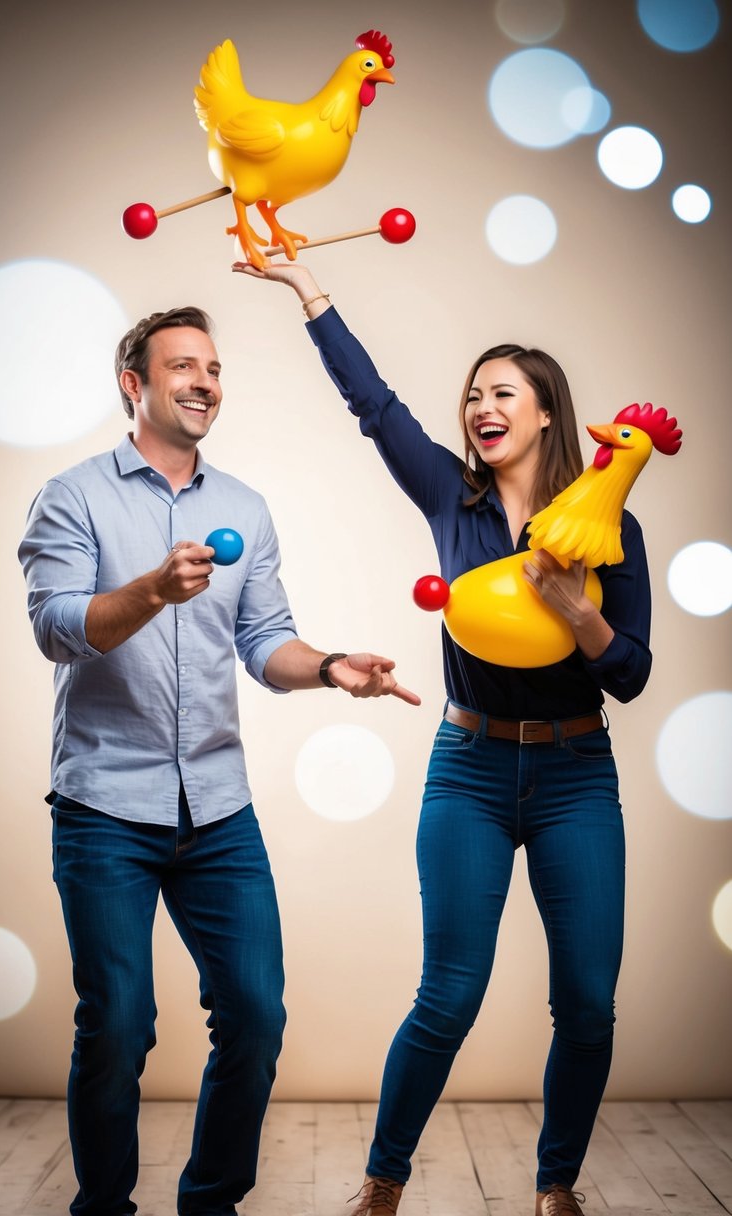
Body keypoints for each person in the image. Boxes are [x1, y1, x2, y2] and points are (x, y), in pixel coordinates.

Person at [232, 261, 653, 1216]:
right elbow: (374, 407)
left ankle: (555, 1187)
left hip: (576, 774)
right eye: (471, 394)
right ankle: (382, 1183)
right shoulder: (449, 500)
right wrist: (312, 297)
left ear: (547, 413)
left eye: (501, 392)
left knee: (586, 1003)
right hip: (465, 767)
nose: (478, 407)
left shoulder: (608, 528)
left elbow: (628, 673)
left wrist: (572, 611)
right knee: (448, 995)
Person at [18, 304, 419, 1216]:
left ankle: (210, 1203)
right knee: (118, 1026)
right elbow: (57, 630)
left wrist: (326, 668)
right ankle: (103, 1209)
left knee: (255, 1013)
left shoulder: (244, 508)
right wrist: (152, 590)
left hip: (216, 808)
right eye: (182, 367)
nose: (205, 382)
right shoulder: (73, 496)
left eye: (213, 367)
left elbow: (264, 638)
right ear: (136, 385)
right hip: (104, 807)